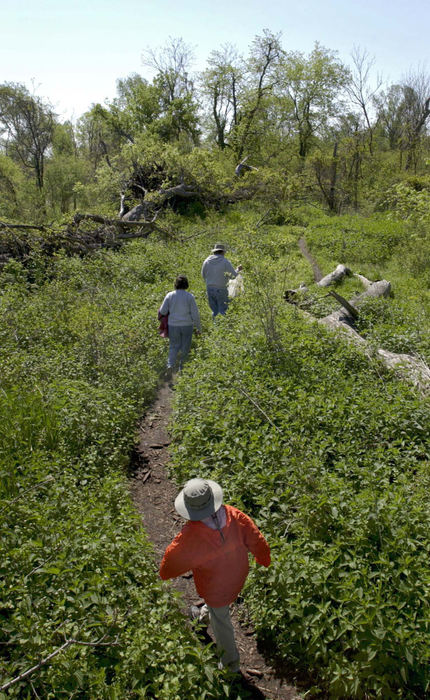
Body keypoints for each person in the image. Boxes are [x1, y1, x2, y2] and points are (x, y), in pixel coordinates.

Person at [159, 478, 271, 673]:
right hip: (238, 575)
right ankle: (201, 617)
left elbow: (171, 562)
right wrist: (263, 558)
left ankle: (230, 666)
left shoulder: (190, 536)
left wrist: (164, 574)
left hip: (214, 586)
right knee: (218, 609)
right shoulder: (234, 515)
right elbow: (256, 538)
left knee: (222, 624)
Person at [159, 275, 201, 380]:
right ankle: (182, 371)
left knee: (173, 346)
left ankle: (170, 365)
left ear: (176, 284)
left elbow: (163, 311)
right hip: (187, 325)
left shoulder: (170, 295)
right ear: (186, 284)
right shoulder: (190, 296)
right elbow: (195, 314)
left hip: (173, 325)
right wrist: (199, 328)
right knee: (185, 348)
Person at [201, 243, 242, 318]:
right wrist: (238, 270)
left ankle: (215, 327)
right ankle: (222, 327)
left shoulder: (206, 261)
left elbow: (203, 275)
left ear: (214, 251)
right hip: (221, 289)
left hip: (209, 288)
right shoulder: (225, 261)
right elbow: (233, 276)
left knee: (214, 311)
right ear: (223, 252)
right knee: (222, 311)